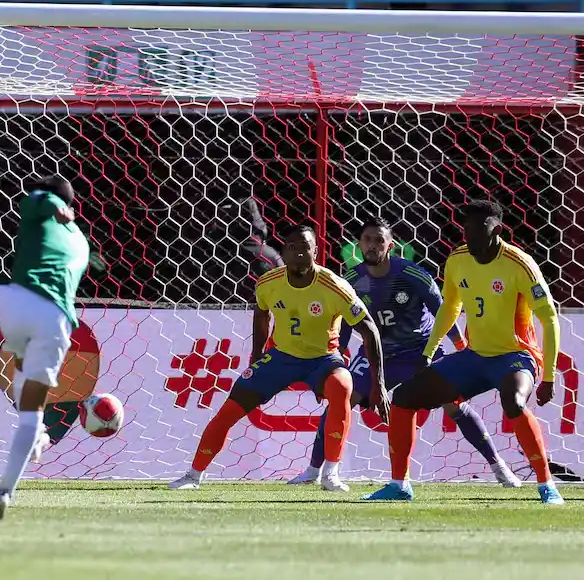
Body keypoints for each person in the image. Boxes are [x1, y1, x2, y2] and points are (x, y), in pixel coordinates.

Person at [288, 217, 521, 487]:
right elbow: (344, 324)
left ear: (390, 246)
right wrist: (336, 360)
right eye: (367, 240)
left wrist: (460, 346)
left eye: (379, 240)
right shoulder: (351, 281)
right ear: (358, 244)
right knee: (341, 401)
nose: (372, 245)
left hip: (419, 353)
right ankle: (314, 471)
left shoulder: (412, 275)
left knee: (453, 405)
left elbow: (443, 311)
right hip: (378, 356)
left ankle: (499, 467)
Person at [363, 200, 563, 504]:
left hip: (515, 356)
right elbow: (450, 307)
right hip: (474, 356)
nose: (469, 235)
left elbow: (549, 318)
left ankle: (547, 485)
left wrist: (548, 376)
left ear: (497, 230)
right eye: (466, 228)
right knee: (403, 398)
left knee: (513, 401)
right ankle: (399, 485)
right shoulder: (457, 260)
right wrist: (428, 352)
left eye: (478, 228)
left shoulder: (519, 264)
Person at [168, 224, 388, 492]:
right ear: (283, 252)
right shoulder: (268, 283)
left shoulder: (335, 286)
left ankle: (330, 474)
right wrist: (256, 356)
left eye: (305, 247)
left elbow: (370, 330)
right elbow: (262, 315)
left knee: (342, 386)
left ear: (316, 251)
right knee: (229, 409)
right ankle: (193, 476)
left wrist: (378, 385)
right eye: (292, 247)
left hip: (323, 359)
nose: (298, 252)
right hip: (280, 357)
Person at [0, 175, 91, 520]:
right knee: (32, 413)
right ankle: (4, 491)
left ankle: (38, 436)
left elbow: (36, 200)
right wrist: (60, 207)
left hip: (13, 305)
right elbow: (44, 280)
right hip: (53, 317)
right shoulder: (81, 242)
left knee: (21, 372)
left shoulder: (39, 208)